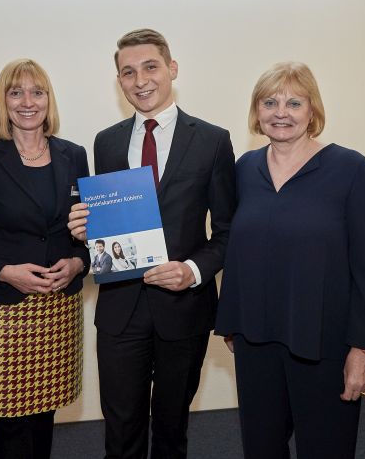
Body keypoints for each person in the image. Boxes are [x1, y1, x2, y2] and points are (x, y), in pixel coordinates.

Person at [68, 28, 236, 458]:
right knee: (119, 431)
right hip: (120, 311)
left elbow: (227, 232)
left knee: (171, 428)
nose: (140, 80)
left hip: (185, 310)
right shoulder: (105, 142)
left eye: (150, 67)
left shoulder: (213, 141)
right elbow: (108, 225)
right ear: (119, 81)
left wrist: (192, 271)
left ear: (172, 69)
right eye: (128, 72)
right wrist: (88, 232)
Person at [214, 62, 365, 459]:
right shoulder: (244, 169)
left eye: (294, 102)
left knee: (326, 449)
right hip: (256, 340)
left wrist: (362, 350)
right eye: (269, 102)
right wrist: (234, 320)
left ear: (314, 110)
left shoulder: (351, 169)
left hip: (325, 342)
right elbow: (238, 248)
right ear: (256, 112)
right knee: (261, 448)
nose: (281, 112)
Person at [0, 58, 90, 459]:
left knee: (44, 414)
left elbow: (86, 232)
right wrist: (4, 272)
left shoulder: (74, 155)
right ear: (3, 101)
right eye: (16, 91)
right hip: (3, 308)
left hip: (59, 305)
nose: (28, 101)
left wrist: (78, 263)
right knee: (11, 422)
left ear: (48, 100)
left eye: (37, 91)